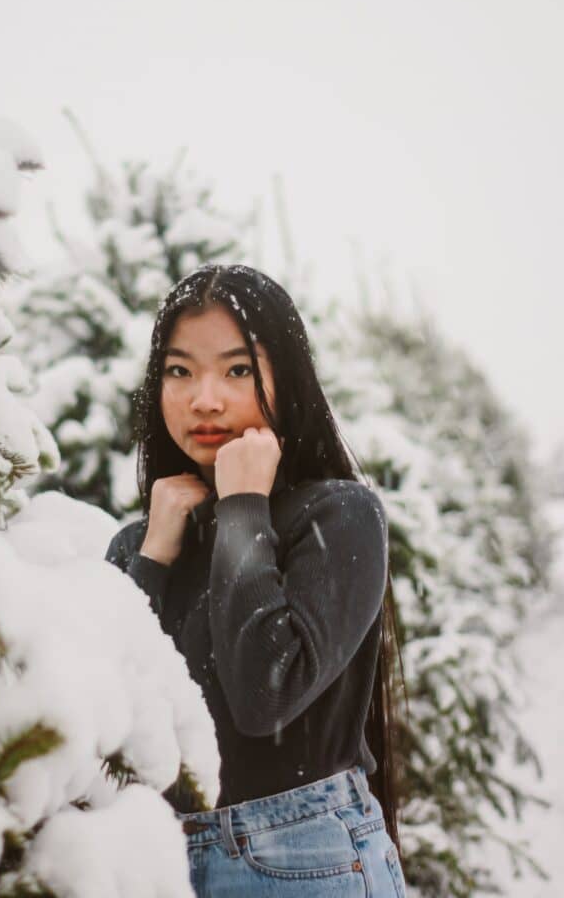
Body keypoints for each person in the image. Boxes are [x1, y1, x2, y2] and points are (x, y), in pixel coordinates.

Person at [105, 263, 408, 897]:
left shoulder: (339, 515)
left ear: (286, 383)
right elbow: (109, 722)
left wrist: (242, 504)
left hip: (302, 858)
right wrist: (154, 557)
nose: (203, 398)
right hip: (154, 862)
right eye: (179, 370)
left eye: (237, 369)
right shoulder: (142, 542)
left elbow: (263, 696)